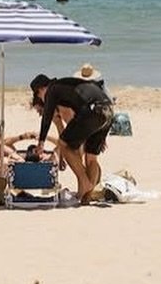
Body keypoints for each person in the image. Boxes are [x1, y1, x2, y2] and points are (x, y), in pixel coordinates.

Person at [29, 72, 114, 204]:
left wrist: (41, 143)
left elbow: (47, 117)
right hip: (107, 111)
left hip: (92, 111)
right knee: (91, 157)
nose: (41, 99)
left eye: (39, 95)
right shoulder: (66, 85)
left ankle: (85, 183)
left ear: (40, 89)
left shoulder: (52, 89)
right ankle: (87, 197)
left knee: (64, 144)